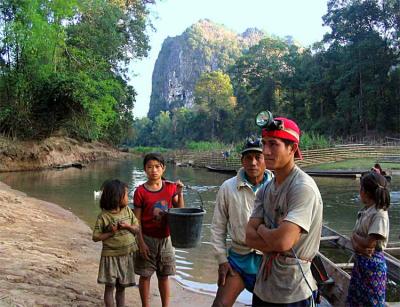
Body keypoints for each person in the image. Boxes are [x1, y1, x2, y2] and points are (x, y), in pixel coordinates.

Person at [246, 116, 323, 306]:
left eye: (273, 144)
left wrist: (262, 230)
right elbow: (248, 237)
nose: (266, 151)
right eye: (264, 144)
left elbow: (283, 241)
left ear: (292, 148)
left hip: (293, 291)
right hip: (264, 287)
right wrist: (274, 237)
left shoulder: (302, 187)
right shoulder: (265, 188)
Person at [211, 138, 273, 307]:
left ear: (265, 159)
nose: (253, 163)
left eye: (258, 157)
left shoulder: (277, 186)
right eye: (248, 157)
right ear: (242, 161)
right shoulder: (228, 187)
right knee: (220, 305)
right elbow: (218, 227)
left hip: (269, 260)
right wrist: (222, 260)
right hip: (238, 259)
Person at [133, 152, 184, 307]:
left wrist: (180, 193)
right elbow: (137, 221)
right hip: (147, 238)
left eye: (157, 167)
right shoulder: (140, 192)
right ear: (144, 169)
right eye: (149, 167)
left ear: (163, 169)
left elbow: (180, 210)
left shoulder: (170, 188)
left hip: (166, 239)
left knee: (164, 276)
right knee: (145, 275)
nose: (153, 170)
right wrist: (140, 243)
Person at [92, 179, 139, 307]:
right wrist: (110, 233)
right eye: (126, 194)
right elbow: (95, 237)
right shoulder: (103, 217)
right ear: (116, 197)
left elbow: (137, 228)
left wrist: (128, 226)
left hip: (126, 255)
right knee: (110, 287)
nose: (128, 197)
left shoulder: (128, 211)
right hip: (110, 257)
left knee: (121, 288)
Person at [346, 171, 390, 306]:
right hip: (361, 262)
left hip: (372, 266)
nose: (360, 192)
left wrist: (355, 239)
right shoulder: (366, 211)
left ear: (366, 192)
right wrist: (358, 243)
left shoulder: (379, 214)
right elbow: (360, 243)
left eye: (361, 188)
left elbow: (368, 243)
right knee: (356, 299)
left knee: (372, 302)